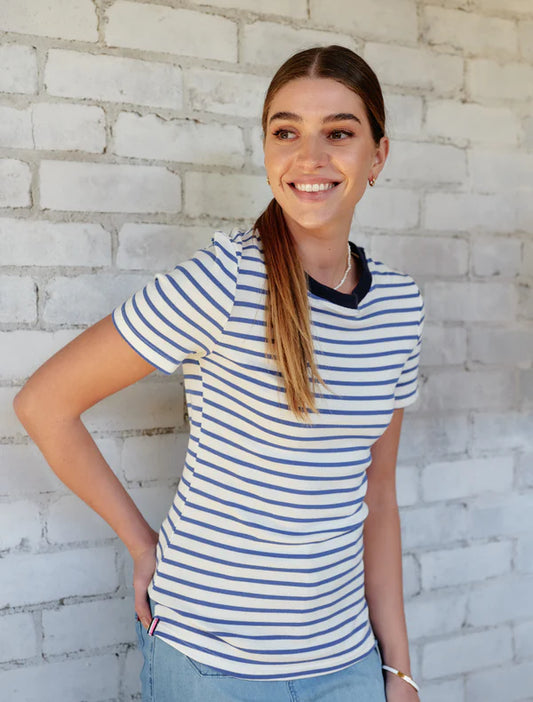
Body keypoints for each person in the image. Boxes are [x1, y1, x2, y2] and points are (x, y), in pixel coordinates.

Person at [14, 45, 424, 702]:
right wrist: (142, 545)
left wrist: (398, 668)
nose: (309, 157)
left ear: (377, 156)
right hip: (209, 663)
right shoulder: (222, 280)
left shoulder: (399, 307)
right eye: (285, 132)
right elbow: (44, 403)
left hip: (344, 660)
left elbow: (378, 494)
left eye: (338, 133)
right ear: (265, 151)